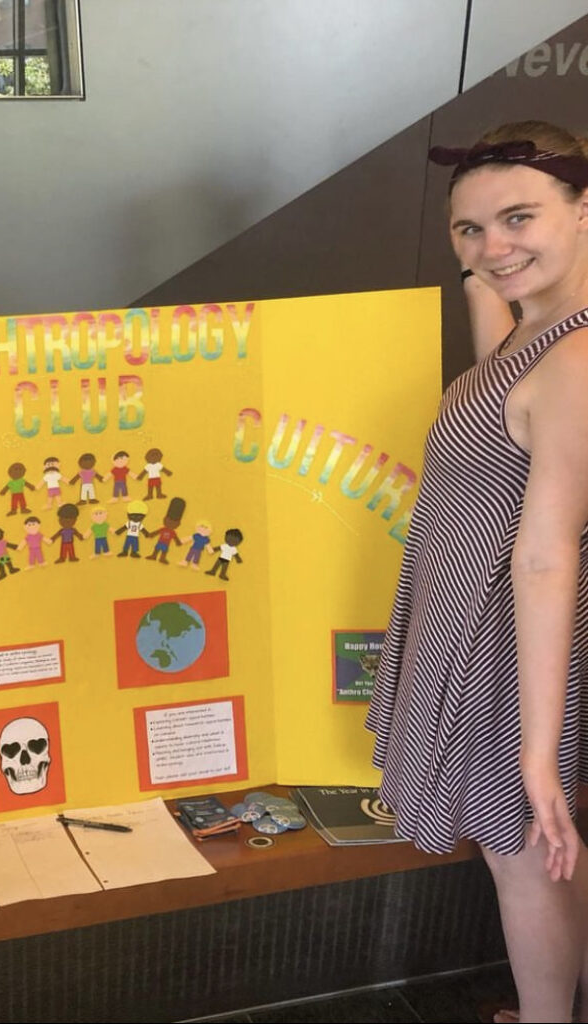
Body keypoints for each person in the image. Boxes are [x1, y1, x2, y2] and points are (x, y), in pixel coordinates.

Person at [366, 121, 588, 1024]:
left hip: (507, 643)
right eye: (467, 230)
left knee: (527, 851)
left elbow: (544, 553)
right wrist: (487, 275)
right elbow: (499, 347)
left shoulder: (575, 359)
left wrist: (538, 756)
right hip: (484, 624)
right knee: (551, 852)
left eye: (518, 219)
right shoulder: (539, 329)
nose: (492, 248)